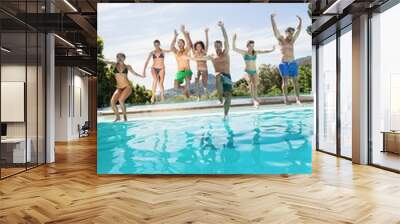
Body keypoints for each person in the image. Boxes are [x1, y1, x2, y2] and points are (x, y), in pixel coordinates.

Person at [190, 21, 233, 118]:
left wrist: (222, 27)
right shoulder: (212, 56)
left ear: (221, 46)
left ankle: (225, 115)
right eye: (216, 46)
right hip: (219, 77)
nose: (217, 47)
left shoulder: (225, 52)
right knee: (218, 75)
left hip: (228, 76)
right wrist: (190, 58)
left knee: (229, 97)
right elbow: (200, 58)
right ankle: (219, 98)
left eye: (219, 46)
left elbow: (226, 39)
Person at [232, 34, 275, 108]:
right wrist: (234, 40)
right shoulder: (244, 53)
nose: (252, 47)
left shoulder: (255, 52)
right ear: (247, 46)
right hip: (247, 71)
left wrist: (272, 50)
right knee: (251, 83)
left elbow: (264, 51)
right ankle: (254, 101)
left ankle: (255, 98)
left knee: (255, 85)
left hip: (254, 71)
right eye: (250, 46)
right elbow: (234, 48)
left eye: (253, 46)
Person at [101, 53, 145, 121]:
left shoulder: (127, 66)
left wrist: (141, 76)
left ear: (124, 58)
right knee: (112, 102)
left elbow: (134, 73)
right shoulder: (115, 64)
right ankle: (118, 117)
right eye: (117, 57)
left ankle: (125, 118)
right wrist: (97, 58)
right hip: (119, 88)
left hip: (127, 87)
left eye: (120, 57)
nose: (119, 58)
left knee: (121, 100)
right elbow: (105, 61)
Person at [271, 14, 302, 105]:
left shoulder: (292, 41)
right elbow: (275, 30)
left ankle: (298, 99)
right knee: (285, 81)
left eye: (292, 33)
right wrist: (272, 19)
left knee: (295, 81)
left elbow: (298, 30)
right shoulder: (281, 40)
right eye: (290, 33)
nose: (292, 35)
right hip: (284, 63)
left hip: (292, 62)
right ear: (286, 32)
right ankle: (286, 99)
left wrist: (300, 21)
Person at [170, 25, 193, 98]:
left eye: (181, 43)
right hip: (180, 72)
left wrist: (183, 32)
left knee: (187, 78)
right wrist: (175, 36)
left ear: (183, 44)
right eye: (178, 43)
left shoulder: (186, 51)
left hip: (187, 71)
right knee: (175, 86)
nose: (179, 44)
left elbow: (189, 43)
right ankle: (185, 89)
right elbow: (171, 47)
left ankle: (187, 90)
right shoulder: (177, 52)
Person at [192, 28, 210, 101]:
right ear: (196, 47)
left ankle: (207, 95)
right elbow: (190, 44)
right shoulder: (195, 53)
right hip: (198, 69)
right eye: (197, 46)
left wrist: (206, 33)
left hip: (204, 70)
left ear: (202, 47)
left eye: (200, 46)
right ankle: (198, 96)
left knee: (204, 84)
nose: (198, 47)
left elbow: (207, 43)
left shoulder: (204, 52)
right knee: (196, 81)